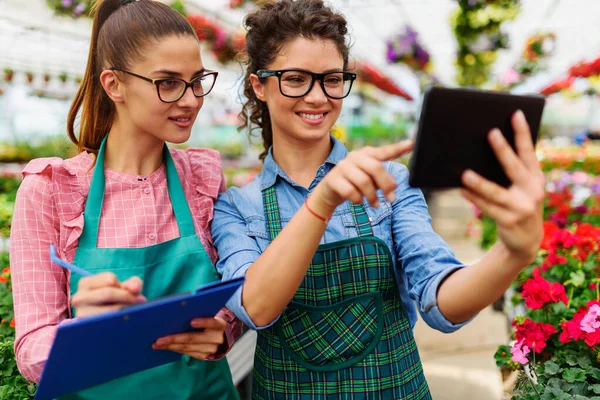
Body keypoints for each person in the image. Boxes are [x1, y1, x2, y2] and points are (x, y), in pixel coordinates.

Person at [211, 0, 544, 398]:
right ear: (259, 85)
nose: (317, 97)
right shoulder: (235, 207)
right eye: (296, 78)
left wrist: (512, 254)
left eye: (332, 79)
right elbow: (256, 308)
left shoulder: (391, 183)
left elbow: (442, 301)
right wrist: (323, 200)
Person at [10, 0, 242, 398]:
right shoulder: (53, 190)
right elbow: (30, 351)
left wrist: (221, 330)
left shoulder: (203, 179)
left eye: (197, 80)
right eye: (168, 82)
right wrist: (85, 335)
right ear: (114, 85)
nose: (191, 100)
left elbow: (233, 297)